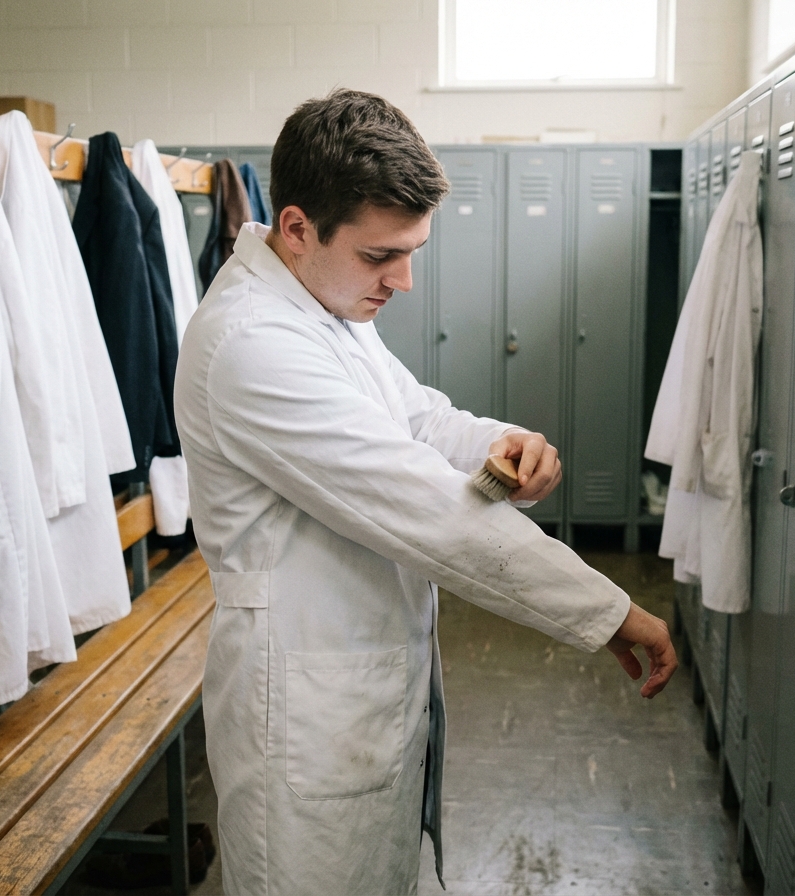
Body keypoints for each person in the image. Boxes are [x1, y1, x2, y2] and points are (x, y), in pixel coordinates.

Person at [174, 89, 678, 896]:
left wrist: (498, 446)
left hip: (364, 688)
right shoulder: (251, 344)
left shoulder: (320, 303)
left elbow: (415, 417)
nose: (404, 281)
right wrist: (608, 610)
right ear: (299, 228)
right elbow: (432, 512)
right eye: (381, 256)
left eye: (412, 251)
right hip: (306, 714)